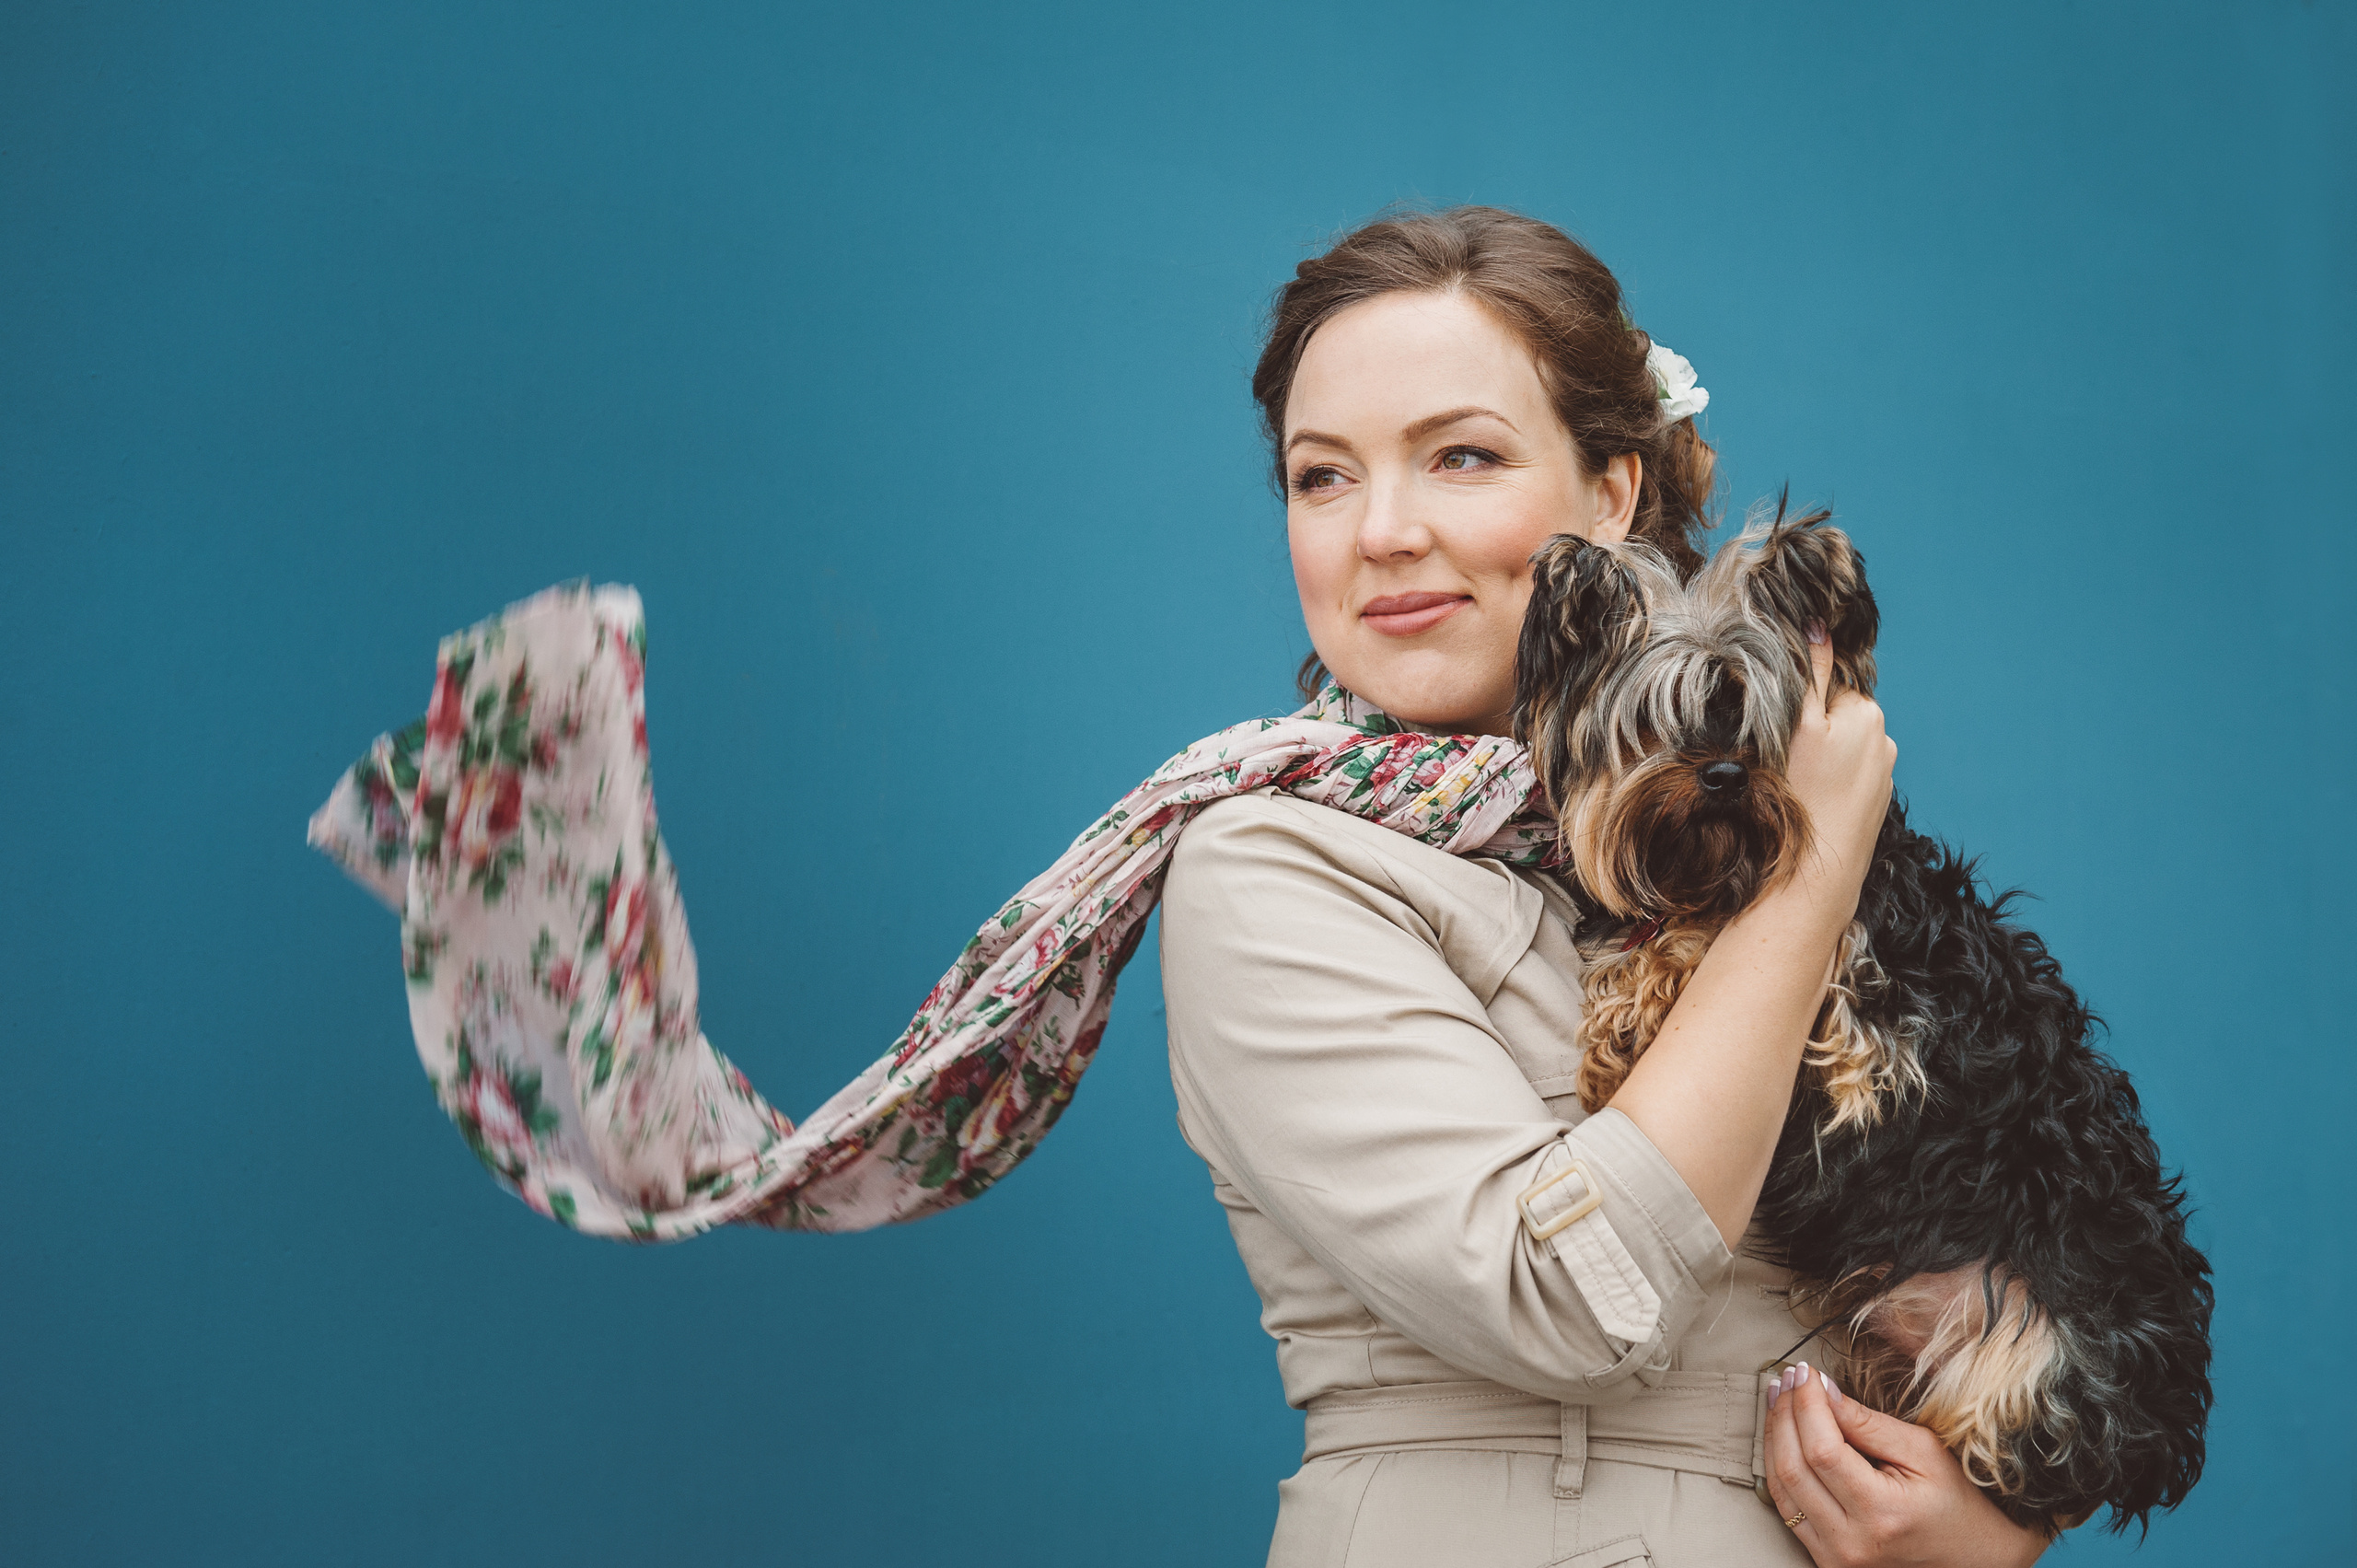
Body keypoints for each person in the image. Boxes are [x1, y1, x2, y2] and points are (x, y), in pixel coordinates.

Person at [1155, 206, 2054, 1567]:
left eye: (1461, 456)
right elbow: (1571, 1302)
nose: (1382, 531)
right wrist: (1812, 871)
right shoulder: (1276, 862)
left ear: (1613, 495)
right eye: (1321, 476)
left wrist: (1995, 1522)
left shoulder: (1710, 822)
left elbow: (1983, 1208)